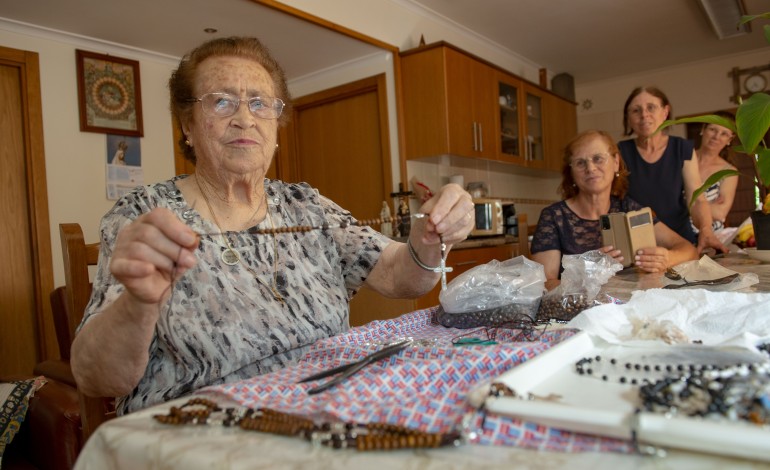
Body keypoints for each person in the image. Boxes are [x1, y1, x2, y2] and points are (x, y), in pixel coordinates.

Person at [70, 37, 474, 415]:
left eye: (260, 103)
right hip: (200, 431)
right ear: (187, 126)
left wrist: (429, 240)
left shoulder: (307, 206)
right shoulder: (143, 215)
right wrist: (138, 304)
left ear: (276, 125)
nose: (245, 118)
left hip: (324, 409)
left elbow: (399, 276)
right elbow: (97, 379)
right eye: (222, 102)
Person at [531, 130, 697, 281]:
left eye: (598, 159)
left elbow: (689, 250)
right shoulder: (553, 217)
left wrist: (668, 258)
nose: (590, 168)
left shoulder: (628, 208)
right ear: (571, 172)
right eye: (580, 163)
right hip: (579, 312)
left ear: (616, 162)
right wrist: (584, 272)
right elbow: (545, 285)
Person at [619, 86, 727, 254]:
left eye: (651, 107)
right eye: (636, 110)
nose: (644, 115)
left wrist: (706, 230)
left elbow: (697, 198)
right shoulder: (619, 152)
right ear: (629, 118)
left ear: (665, 112)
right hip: (637, 246)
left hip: (680, 244)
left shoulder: (681, 147)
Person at [694, 112, 738, 231]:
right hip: (676, 234)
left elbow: (720, 213)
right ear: (703, 129)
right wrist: (708, 206)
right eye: (713, 129)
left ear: (729, 139)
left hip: (711, 236)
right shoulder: (682, 158)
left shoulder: (729, 171)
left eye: (724, 134)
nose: (716, 137)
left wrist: (682, 203)